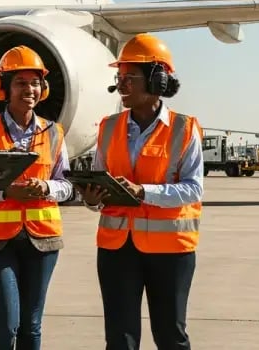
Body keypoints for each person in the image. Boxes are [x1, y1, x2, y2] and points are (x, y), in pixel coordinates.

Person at [76, 33, 204, 350]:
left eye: (129, 78)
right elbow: (100, 182)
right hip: (117, 248)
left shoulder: (184, 129)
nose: (121, 85)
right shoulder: (107, 128)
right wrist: (91, 200)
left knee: (170, 336)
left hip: (171, 251)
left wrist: (143, 191)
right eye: (119, 78)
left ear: (157, 80)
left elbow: (193, 189)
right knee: (120, 338)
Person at [0, 45, 72, 350]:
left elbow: (66, 185)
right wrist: (6, 191)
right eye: (20, 83)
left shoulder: (54, 132)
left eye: (35, 83)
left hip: (43, 239)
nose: (29, 89)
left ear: (43, 88)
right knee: (5, 322)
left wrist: (46, 188)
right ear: (3, 87)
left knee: (31, 325)